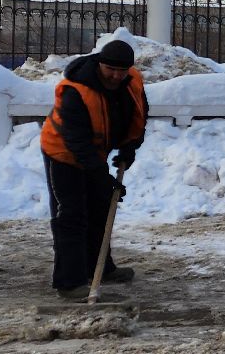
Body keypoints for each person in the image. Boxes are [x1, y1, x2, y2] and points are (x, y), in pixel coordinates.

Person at [40, 39, 147, 298]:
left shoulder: (131, 81)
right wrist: (102, 177)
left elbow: (139, 114)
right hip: (63, 153)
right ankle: (70, 282)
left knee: (100, 210)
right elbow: (77, 141)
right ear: (99, 63)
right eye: (111, 69)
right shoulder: (74, 90)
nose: (116, 76)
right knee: (72, 215)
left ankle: (100, 268)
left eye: (122, 71)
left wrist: (129, 148)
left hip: (95, 153)